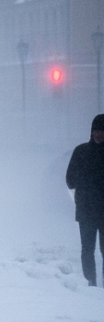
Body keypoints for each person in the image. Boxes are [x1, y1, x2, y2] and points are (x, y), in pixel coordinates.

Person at [66, 114, 104, 286]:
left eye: (102, 131)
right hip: (86, 210)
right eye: (96, 130)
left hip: (94, 210)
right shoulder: (80, 152)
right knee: (87, 249)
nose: (99, 134)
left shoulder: (82, 152)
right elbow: (70, 180)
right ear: (91, 131)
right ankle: (91, 283)